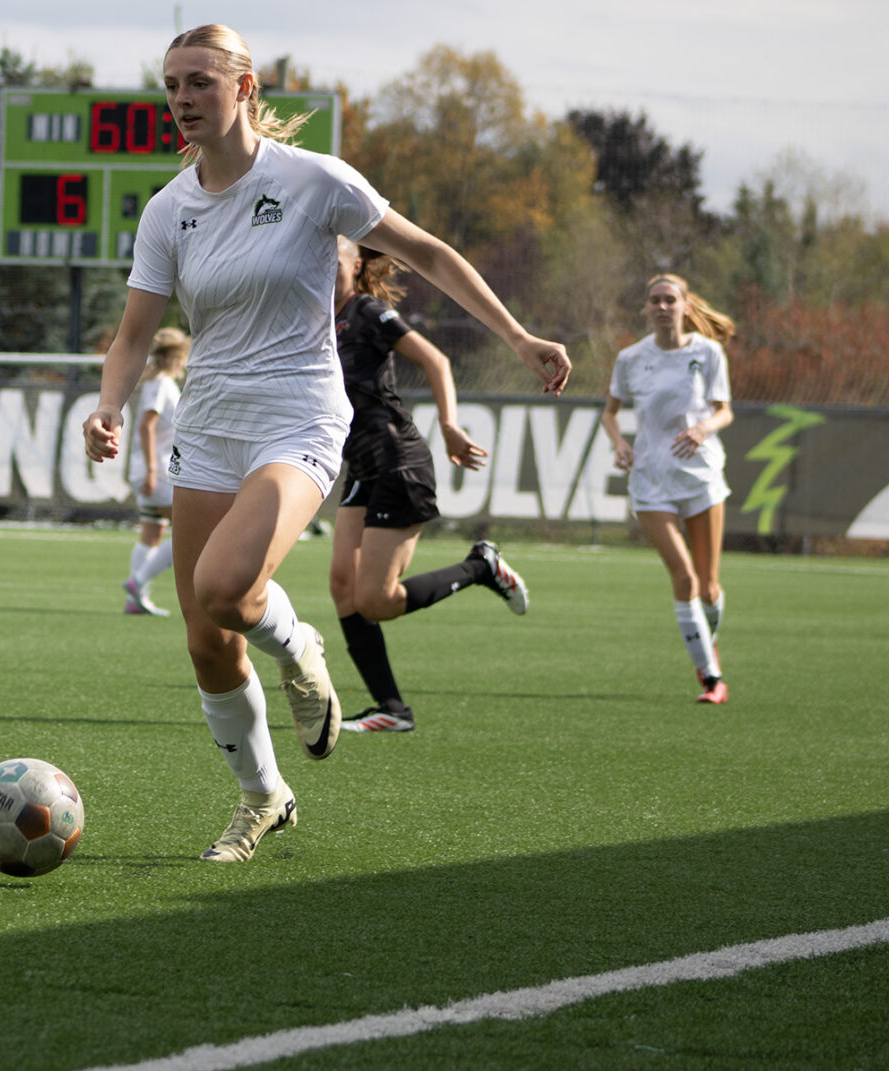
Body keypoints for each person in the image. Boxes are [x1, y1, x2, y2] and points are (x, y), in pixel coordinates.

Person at [83, 24, 570, 862]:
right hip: (209, 426)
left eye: (200, 81)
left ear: (245, 87)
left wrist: (519, 337)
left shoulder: (314, 180)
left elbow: (430, 254)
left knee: (226, 587)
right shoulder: (168, 210)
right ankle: (263, 796)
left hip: (299, 418)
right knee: (206, 636)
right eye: (172, 84)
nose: (182, 99)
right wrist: (108, 405)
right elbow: (134, 335)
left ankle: (299, 644)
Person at [327, 239, 531, 734]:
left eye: (333, 261)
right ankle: (391, 709)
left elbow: (436, 361)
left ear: (356, 265)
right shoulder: (315, 319)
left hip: (398, 461)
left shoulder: (367, 311)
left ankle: (480, 567)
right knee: (342, 586)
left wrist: (449, 424)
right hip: (363, 467)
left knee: (376, 601)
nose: (323, 270)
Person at [601, 273, 735, 704]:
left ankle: (707, 646)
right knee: (684, 576)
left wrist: (702, 429)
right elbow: (609, 413)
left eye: (670, 300)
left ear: (685, 306)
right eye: (654, 300)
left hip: (700, 476)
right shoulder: (631, 357)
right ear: (646, 308)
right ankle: (711, 678)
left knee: (709, 588)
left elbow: (724, 411)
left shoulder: (708, 352)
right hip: (651, 480)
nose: (662, 306)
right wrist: (619, 443)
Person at [122, 327, 191, 616]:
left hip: (151, 468)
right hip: (159, 469)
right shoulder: (162, 384)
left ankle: (136, 599)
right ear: (175, 356)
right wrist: (152, 469)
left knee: (152, 531)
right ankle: (138, 581)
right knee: (189, 532)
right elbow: (146, 426)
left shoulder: (157, 382)